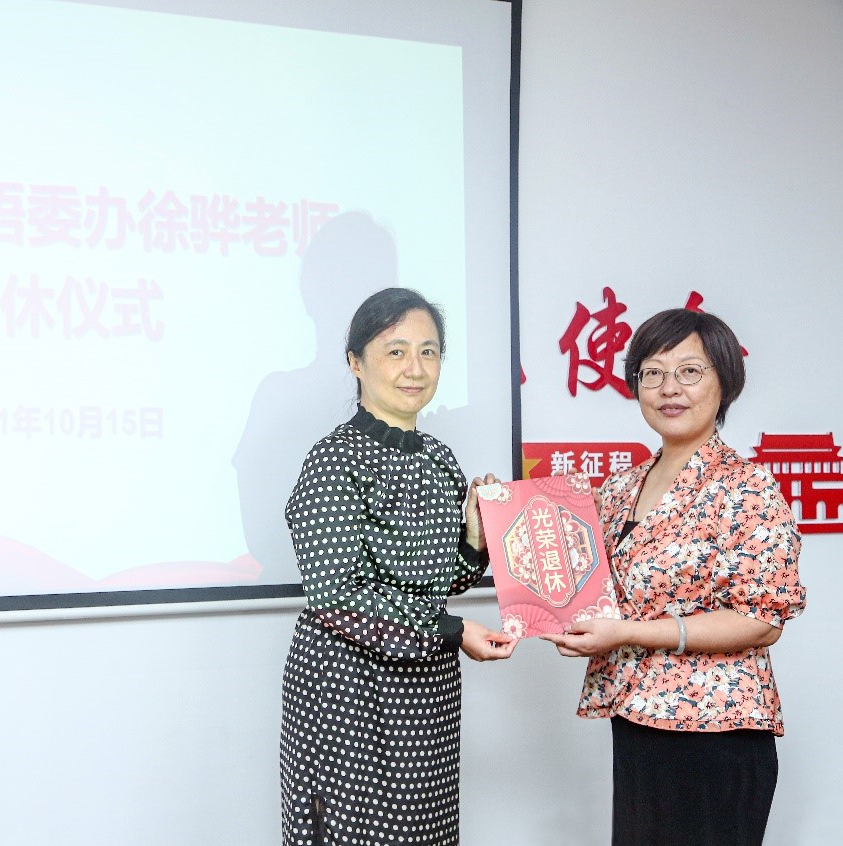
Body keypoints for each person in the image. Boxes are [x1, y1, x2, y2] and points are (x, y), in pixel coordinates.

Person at [542, 308, 806, 846]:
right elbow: (575, 579)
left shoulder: (747, 487)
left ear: (724, 381)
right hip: (636, 722)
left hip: (717, 733)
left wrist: (625, 633)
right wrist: (494, 520)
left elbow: (761, 620)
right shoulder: (620, 489)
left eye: (689, 371)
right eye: (653, 373)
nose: (669, 389)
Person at [279, 287, 516, 846]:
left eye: (429, 352)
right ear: (355, 362)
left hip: (427, 690)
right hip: (347, 689)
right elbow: (338, 595)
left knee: (425, 830)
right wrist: (452, 631)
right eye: (396, 351)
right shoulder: (334, 459)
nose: (415, 368)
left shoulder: (438, 459)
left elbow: (442, 582)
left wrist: (475, 541)